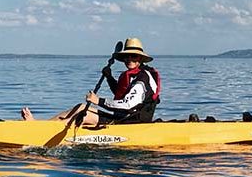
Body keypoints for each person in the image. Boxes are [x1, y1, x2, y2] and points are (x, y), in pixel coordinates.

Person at [21, 38, 161, 126]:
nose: (130, 59)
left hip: (132, 121)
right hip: (124, 116)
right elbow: (121, 94)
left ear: (140, 59)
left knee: (85, 114)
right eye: (127, 57)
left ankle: (47, 133)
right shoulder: (133, 75)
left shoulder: (143, 78)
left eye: (134, 56)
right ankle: (40, 126)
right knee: (81, 107)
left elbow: (127, 105)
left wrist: (98, 101)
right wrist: (109, 77)